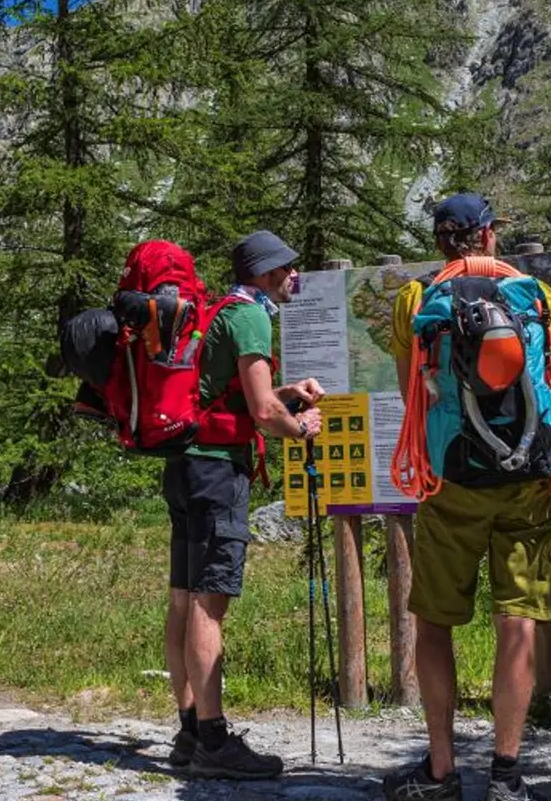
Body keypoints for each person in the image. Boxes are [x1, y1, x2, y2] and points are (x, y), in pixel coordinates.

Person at [383, 194, 551, 801]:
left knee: (433, 622)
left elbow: (413, 401)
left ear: (442, 243)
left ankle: (441, 771)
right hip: (531, 478)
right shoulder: (533, 294)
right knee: (518, 619)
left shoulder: (415, 298)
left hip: (452, 479)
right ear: (487, 237)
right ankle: (506, 773)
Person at [164, 229, 324, 780]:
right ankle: (213, 740)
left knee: (184, 599)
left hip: (185, 463)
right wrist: (299, 426)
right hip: (216, 473)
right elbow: (260, 412)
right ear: (266, 272)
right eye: (285, 268)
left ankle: (189, 733)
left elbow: (229, 397)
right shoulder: (253, 317)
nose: (291, 277)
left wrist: (286, 394)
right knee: (209, 605)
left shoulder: (219, 311)